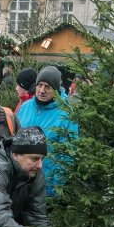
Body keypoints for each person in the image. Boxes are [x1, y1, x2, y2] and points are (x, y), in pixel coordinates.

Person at [15, 65, 78, 196]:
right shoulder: (25, 107)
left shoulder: (66, 114)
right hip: (19, 182)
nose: (42, 90)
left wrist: (55, 188)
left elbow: (68, 155)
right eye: (39, 85)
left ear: (55, 89)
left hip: (46, 187)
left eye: (47, 87)